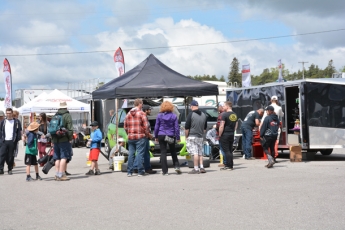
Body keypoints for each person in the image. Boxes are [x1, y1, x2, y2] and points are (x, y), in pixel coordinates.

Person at [154, 101, 181, 176]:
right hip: (170, 135)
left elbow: (156, 127)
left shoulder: (159, 116)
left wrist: (155, 136)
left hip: (161, 134)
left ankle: (165, 171)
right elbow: (176, 128)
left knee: (163, 152)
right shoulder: (173, 116)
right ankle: (176, 166)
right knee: (173, 151)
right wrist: (178, 137)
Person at [124, 98, 149, 177]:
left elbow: (125, 127)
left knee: (131, 154)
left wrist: (129, 133)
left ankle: (129, 172)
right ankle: (140, 171)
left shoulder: (128, 114)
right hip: (140, 136)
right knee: (140, 154)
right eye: (142, 104)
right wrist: (147, 134)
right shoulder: (141, 113)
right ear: (140, 104)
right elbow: (146, 126)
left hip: (131, 137)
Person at [52, 102, 73, 181]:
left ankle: (57, 174)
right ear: (66, 107)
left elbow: (52, 129)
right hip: (64, 139)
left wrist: (52, 140)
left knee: (57, 157)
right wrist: (70, 138)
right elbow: (70, 129)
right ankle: (61, 174)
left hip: (55, 139)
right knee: (64, 157)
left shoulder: (55, 115)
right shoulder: (67, 115)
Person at [185, 100, 207, 174]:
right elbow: (205, 128)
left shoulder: (191, 114)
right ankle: (202, 167)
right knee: (200, 152)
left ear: (192, 106)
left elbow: (187, 127)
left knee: (195, 153)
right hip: (200, 136)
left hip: (192, 136)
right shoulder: (204, 114)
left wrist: (186, 136)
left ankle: (196, 168)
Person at [133, 105, 157, 174]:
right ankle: (141, 167)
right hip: (144, 137)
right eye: (149, 110)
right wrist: (149, 135)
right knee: (143, 153)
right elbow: (145, 128)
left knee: (144, 153)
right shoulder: (143, 116)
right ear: (146, 110)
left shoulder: (143, 116)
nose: (150, 111)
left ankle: (142, 167)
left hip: (144, 137)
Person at [260, 95, 284, 162]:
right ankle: (274, 158)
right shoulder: (277, 116)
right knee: (272, 147)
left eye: (267, 111)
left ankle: (270, 158)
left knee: (265, 147)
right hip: (275, 133)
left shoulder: (267, 117)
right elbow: (280, 120)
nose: (266, 112)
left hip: (268, 134)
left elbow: (264, 126)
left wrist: (261, 135)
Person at [0, 108, 22, 175]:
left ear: (12, 113)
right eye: (7, 113)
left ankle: (10, 169)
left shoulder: (16, 122)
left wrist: (17, 139)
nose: (8, 114)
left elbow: (19, 131)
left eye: (9, 113)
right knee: (2, 155)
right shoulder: (3, 122)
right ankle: (1, 169)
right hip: (4, 141)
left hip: (12, 141)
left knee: (10, 156)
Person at [218, 101, 238, 171]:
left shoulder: (225, 115)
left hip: (225, 134)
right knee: (230, 150)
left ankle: (228, 166)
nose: (223, 107)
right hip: (231, 134)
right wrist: (232, 131)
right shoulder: (235, 114)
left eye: (224, 106)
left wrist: (220, 135)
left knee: (226, 150)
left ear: (227, 106)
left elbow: (221, 126)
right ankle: (230, 165)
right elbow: (236, 125)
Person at [216, 102, 227, 167]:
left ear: (221, 107)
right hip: (229, 133)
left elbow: (220, 125)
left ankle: (224, 162)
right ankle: (228, 161)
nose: (218, 108)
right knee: (228, 149)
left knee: (223, 148)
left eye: (219, 106)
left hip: (222, 134)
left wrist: (219, 134)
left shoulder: (221, 115)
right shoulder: (229, 114)